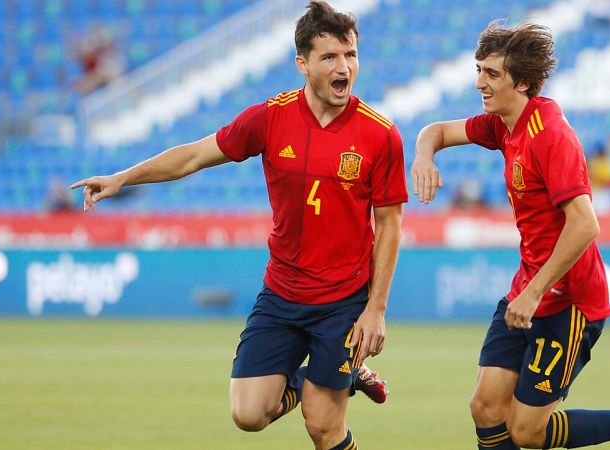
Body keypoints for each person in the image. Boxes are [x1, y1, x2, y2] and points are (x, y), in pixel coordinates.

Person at [70, 2, 406, 449]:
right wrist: (122, 177)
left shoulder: (380, 134)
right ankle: (336, 374)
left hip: (343, 299)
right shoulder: (270, 118)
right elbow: (192, 156)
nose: (344, 67)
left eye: (350, 55)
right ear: (302, 64)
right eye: (329, 57)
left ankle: (336, 374)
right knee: (248, 414)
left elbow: (390, 225)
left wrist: (376, 309)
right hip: (283, 292)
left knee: (322, 425)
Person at [411, 21, 610, 450]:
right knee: (486, 407)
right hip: (528, 289)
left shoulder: (551, 136)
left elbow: (585, 224)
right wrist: (422, 157)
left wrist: (533, 294)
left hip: (569, 301)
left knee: (527, 431)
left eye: (492, 74)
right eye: (479, 70)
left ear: (522, 82)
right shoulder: (503, 125)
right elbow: (435, 131)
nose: (479, 83)